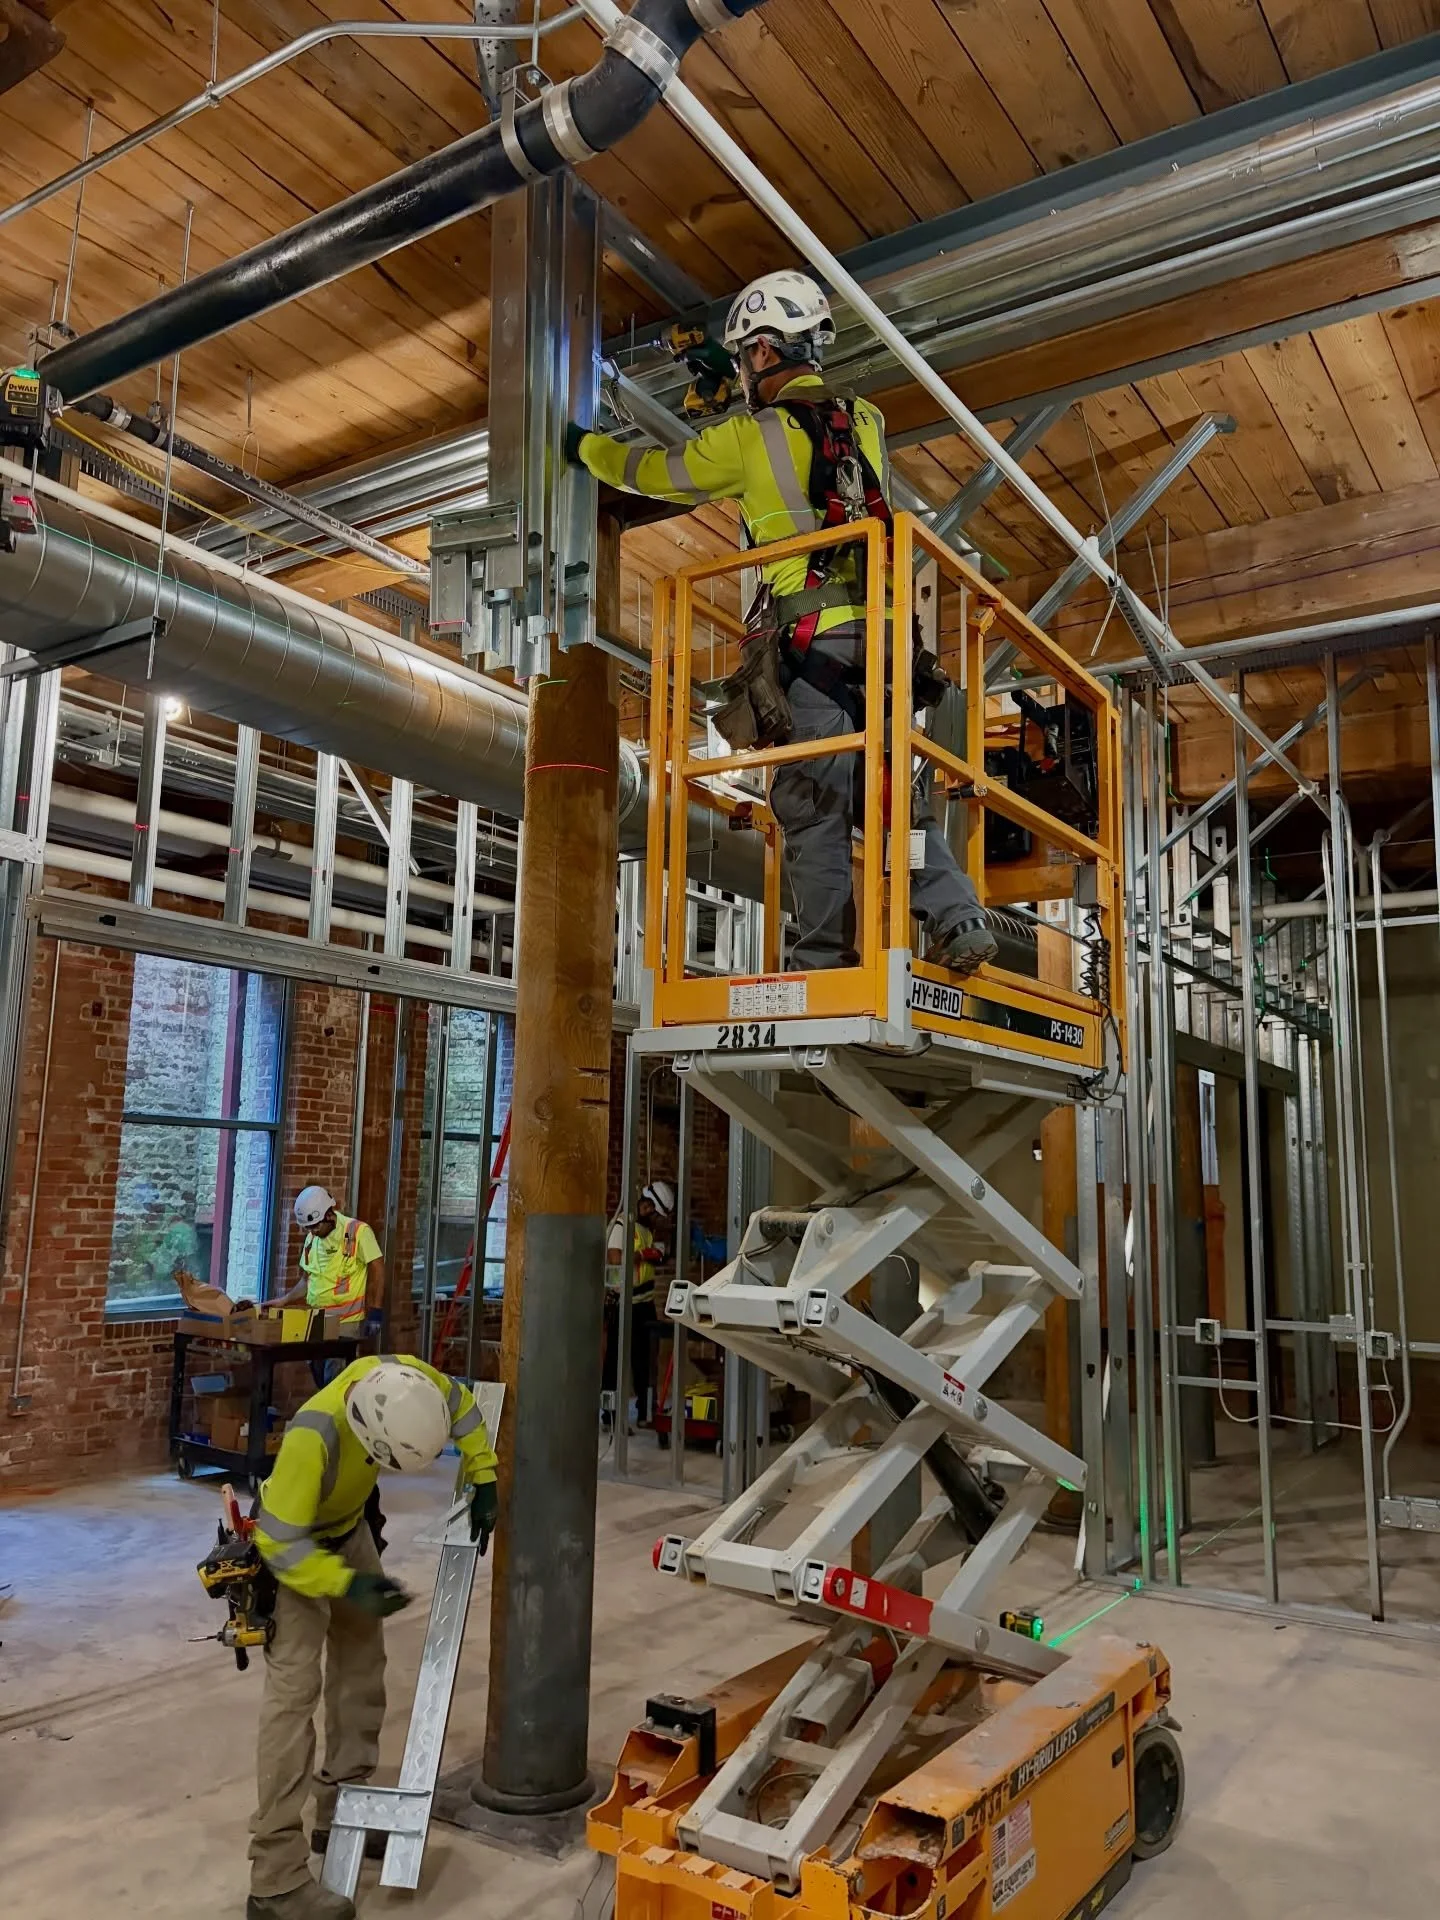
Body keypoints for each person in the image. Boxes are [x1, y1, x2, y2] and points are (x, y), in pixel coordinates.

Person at [568, 269, 996, 976]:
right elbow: (816, 461)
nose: (740, 373)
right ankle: (960, 920)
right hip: (887, 648)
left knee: (812, 804)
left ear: (763, 353)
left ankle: (822, 963)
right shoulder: (866, 421)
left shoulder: (749, 436)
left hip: (813, 646)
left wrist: (581, 445)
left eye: (744, 359)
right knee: (890, 800)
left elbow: (654, 471)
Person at [247, 1354, 498, 1920]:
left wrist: (484, 1472)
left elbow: (460, 1407)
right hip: (297, 1548)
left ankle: (344, 1808)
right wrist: (345, 1585)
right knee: (293, 1697)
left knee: (362, 1668)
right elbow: (278, 1544)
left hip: (348, 1527)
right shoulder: (312, 1435)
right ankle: (274, 1879)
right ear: (366, 1436)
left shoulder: (408, 1376)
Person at [603, 1180, 673, 1425]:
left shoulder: (645, 1230)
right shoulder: (622, 1225)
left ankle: (644, 1412)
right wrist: (644, 1255)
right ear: (646, 1204)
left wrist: (656, 1254)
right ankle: (610, 1414)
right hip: (624, 1303)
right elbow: (615, 1259)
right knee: (616, 1361)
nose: (654, 1217)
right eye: (653, 1212)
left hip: (644, 1303)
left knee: (645, 1361)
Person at [272, 1187, 384, 1338]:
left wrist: (376, 1310)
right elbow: (307, 1280)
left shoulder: (358, 1232)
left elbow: (378, 1269)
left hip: (344, 1324)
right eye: (308, 1228)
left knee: (336, 1361)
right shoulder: (312, 1239)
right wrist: (284, 1300)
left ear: (329, 1215)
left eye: (316, 1226)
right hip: (314, 1321)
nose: (313, 1232)